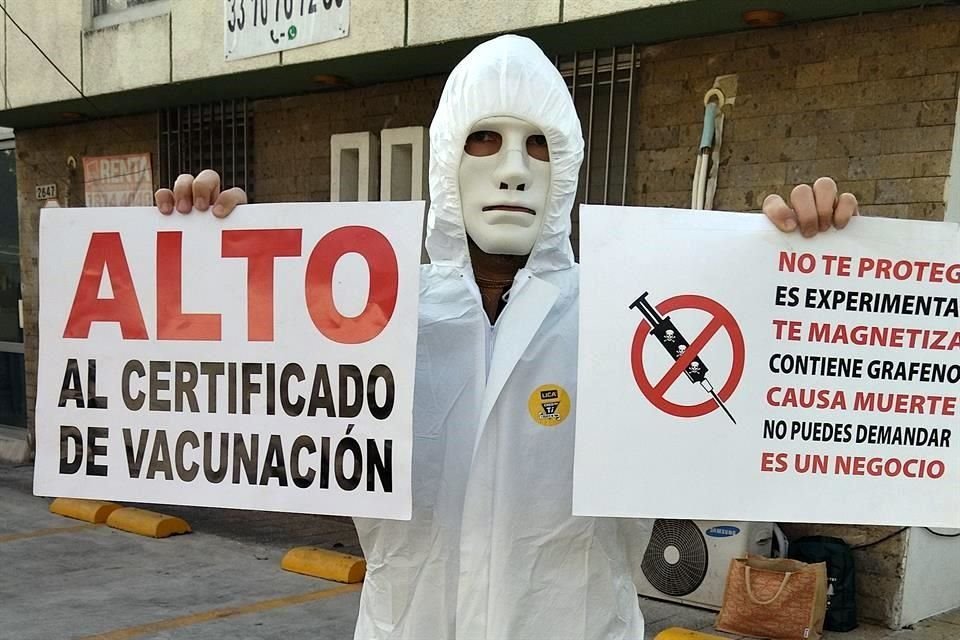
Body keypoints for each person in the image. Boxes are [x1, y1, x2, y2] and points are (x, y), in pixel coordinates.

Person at [156, 35, 857, 640]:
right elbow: (221, 404)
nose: (513, 169)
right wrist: (212, 264)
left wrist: (808, 271)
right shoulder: (369, 321)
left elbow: (760, 425)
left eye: (537, 145)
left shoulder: (626, 322)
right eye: (483, 139)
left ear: (567, 168)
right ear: (443, 163)